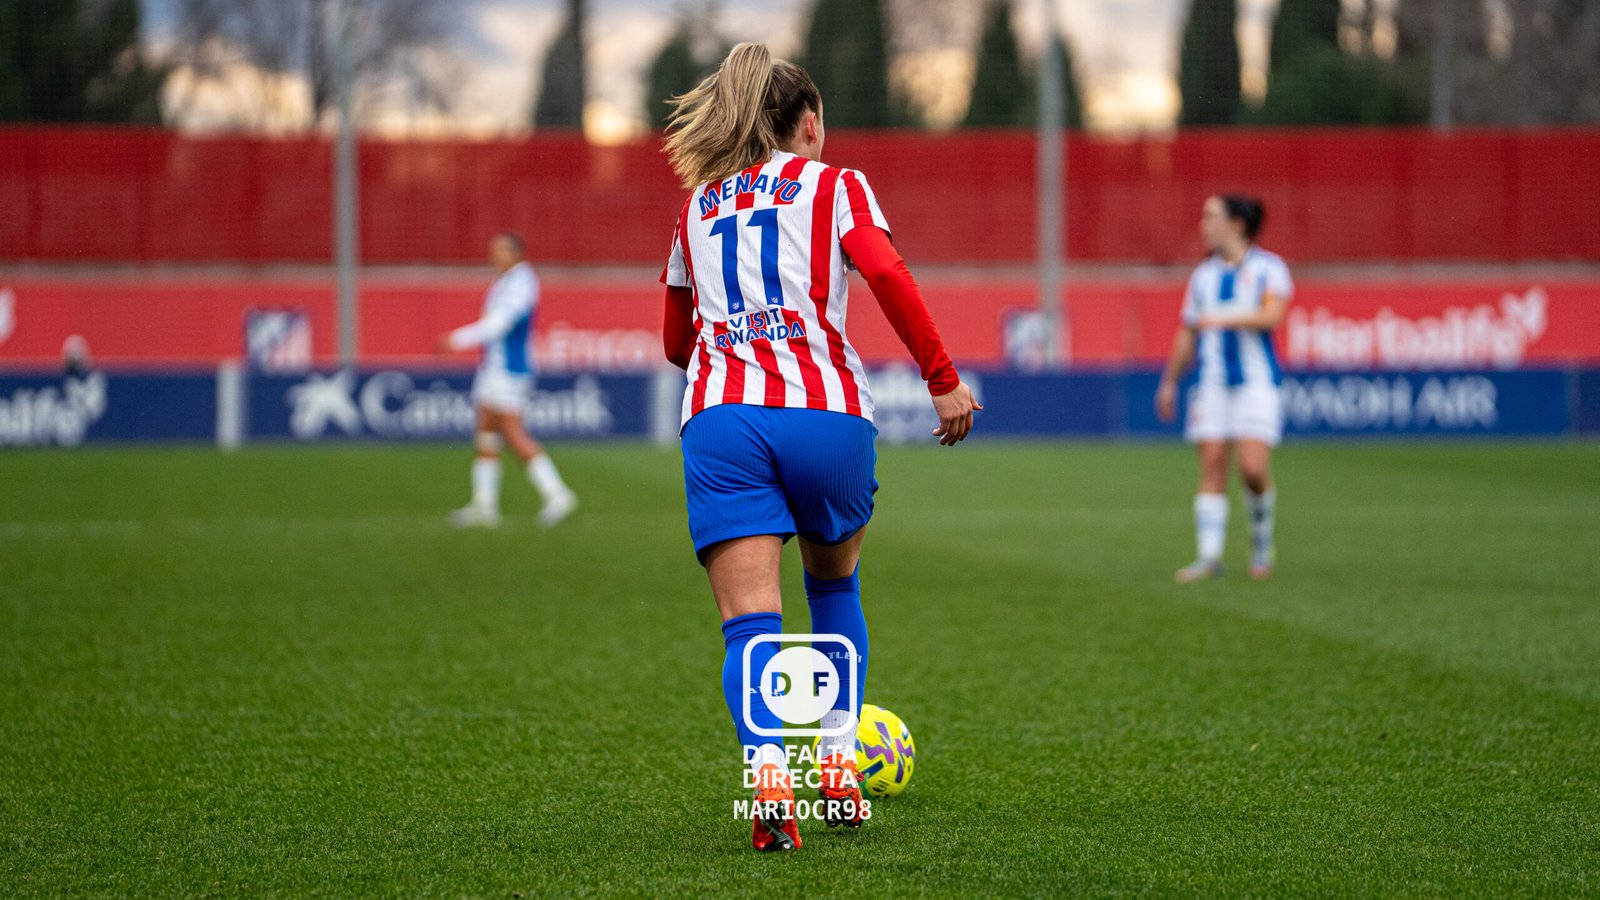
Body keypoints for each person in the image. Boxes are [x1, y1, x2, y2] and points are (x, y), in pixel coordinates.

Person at [660, 43, 980, 852]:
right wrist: (941, 377)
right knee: (832, 593)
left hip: (722, 418)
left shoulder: (696, 207)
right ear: (807, 123)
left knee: (748, 625)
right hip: (826, 415)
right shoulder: (836, 184)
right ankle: (837, 770)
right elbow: (888, 274)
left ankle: (770, 778)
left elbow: (675, 341)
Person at [1156, 194, 1292, 583]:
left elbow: (1272, 315)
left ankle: (1262, 539)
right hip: (1212, 383)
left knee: (1252, 469)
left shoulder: (1269, 268)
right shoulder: (1203, 276)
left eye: (1211, 216)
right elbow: (1188, 331)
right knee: (1212, 462)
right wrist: (1170, 382)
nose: (1204, 224)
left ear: (1236, 223)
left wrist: (1225, 317)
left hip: (1257, 383)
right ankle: (1209, 557)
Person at [437, 231, 577, 529]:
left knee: (512, 432)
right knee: (486, 428)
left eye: (501, 250)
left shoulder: (521, 284)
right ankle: (484, 505)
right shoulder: (505, 281)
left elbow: (500, 324)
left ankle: (557, 493)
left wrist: (458, 339)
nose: (494, 255)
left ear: (517, 253)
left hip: (509, 370)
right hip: (494, 368)